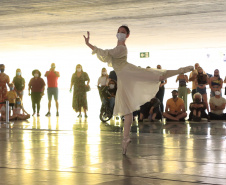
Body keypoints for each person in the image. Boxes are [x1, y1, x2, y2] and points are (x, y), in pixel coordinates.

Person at [83, 25, 193, 155]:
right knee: (127, 110)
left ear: (127, 35)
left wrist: (90, 45)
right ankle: (125, 139)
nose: (120, 34)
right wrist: (90, 45)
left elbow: (107, 53)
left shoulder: (121, 49)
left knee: (158, 76)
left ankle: (181, 70)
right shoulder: (117, 49)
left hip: (129, 72)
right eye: (119, 32)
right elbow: (106, 56)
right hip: (123, 79)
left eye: (123, 32)